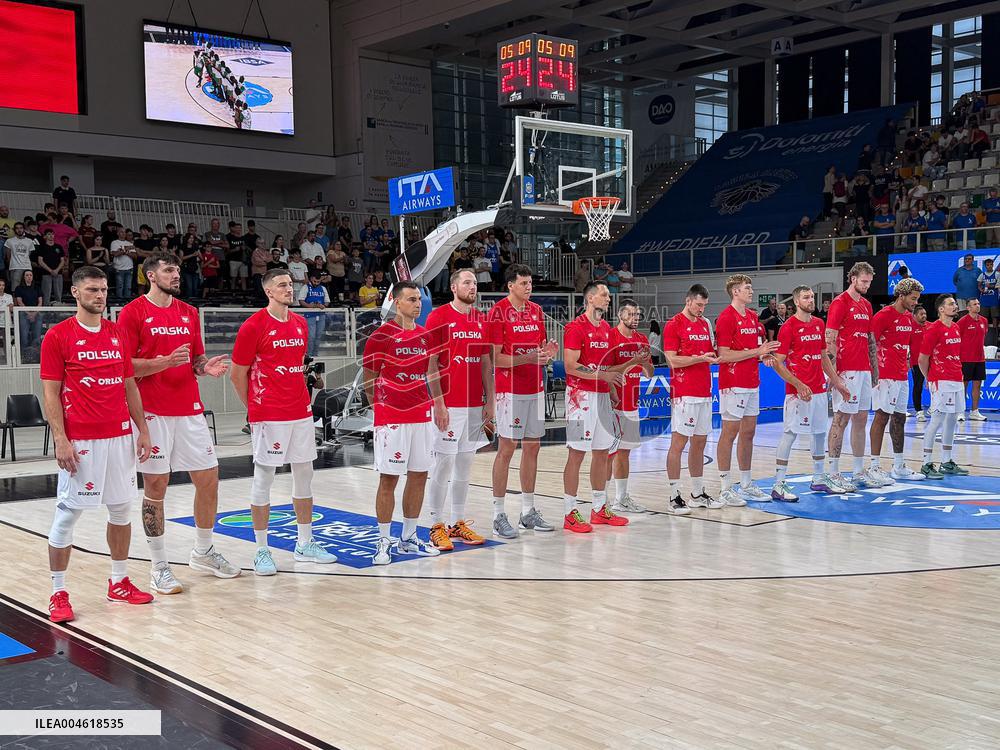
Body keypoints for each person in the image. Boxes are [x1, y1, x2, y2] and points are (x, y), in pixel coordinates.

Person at [117, 253, 238, 594]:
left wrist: (204, 368)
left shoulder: (188, 312)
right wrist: (163, 362)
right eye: (168, 270)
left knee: (209, 478)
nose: (176, 274)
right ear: (150, 275)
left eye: (177, 269)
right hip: (152, 411)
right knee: (156, 487)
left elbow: (194, 359)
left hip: (188, 408)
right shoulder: (133, 313)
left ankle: (203, 551)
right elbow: (125, 368)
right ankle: (159, 567)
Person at [40, 266, 154, 623]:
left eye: (104, 290)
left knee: (121, 510)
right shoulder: (58, 336)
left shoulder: (117, 333)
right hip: (82, 440)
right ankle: (58, 591)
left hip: (120, 437)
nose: (100, 296)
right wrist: (61, 438)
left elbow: (130, 385)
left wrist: (143, 429)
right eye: (92, 290)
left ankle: (118, 581)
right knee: (68, 513)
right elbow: (51, 393)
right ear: (75, 293)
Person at [230, 269, 338, 575]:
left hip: (300, 412)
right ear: (268, 291)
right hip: (269, 414)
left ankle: (305, 543)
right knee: (264, 478)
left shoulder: (301, 324)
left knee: (305, 475)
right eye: (282, 285)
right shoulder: (253, 326)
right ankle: (261, 550)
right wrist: (253, 409)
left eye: (290, 284)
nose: (289, 289)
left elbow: (296, 367)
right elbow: (237, 374)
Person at [362, 281, 442, 564]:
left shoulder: (425, 335)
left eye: (419, 299)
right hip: (392, 418)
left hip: (422, 415)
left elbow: (431, 374)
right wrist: (381, 409)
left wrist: (439, 405)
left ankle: (408, 538)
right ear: (397, 303)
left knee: (419, 475)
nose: (417, 304)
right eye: (411, 299)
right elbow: (369, 380)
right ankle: (383, 539)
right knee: (389, 478)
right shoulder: (380, 337)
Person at [424, 269, 494, 550]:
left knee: (465, 465)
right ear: (454, 287)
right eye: (467, 282)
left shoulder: (481, 320)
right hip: (449, 404)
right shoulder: (438, 317)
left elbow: (486, 363)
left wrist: (490, 400)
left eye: (475, 283)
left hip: (475, 405)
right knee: (443, 464)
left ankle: (457, 521)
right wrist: (438, 403)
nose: (472, 286)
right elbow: (430, 365)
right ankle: (436, 525)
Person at [487, 264, 558, 536]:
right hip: (510, 391)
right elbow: (495, 358)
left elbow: (538, 349)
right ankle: (498, 514)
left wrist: (546, 353)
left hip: (535, 388)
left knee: (533, 448)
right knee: (506, 448)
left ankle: (528, 511)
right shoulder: (497, 313)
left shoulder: (537, 311)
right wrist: (527, 358)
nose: (529, 287)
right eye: (524, 283)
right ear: (510, 286)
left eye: (530, 283)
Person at [561, 281, 635, 532]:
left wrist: (611, 388)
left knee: (602, 453)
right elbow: (571, 366)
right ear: (591, 298)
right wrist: (602, 377)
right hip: (579, 399)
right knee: (577, 454)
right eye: (604, 294)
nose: (608, 298)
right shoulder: (575, 327)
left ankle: (599, 509)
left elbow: (605, 365)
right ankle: (570, 512)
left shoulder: (606, 328)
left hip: (602, 396)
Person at [769, 286, 852, 501]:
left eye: (812, 297)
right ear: (796, 301)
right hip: (798, 394)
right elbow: (778, 363)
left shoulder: (818, 323)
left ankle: (818, 479)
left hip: (818, 390)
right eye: (806, 297)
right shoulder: (788, 327)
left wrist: (838, 382)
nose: (810, 300)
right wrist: (797, 384)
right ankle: (778, 485)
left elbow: (824, 357)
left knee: (819, 433)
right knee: (790, 434)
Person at [714, 275, 781, 505]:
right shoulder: (725, 318)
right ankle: (725, 487)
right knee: (729, 433)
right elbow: (722, 355)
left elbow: (756, 350)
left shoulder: (753, 317)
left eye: (751, 287)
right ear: (735, 292)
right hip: (733, 383)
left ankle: (745, 483)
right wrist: (756, 352)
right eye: (747, 288)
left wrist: (765, 355)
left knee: (749, 433)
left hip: (752, 381)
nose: (751, 291)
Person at [663, 284, 720, 514]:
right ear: (688, 301)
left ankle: (697, 493)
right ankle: (673, 495)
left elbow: (711, 352)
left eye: (704, 305)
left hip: (705, 391)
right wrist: (699, 358)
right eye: (698, 304)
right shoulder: (673, 324)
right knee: (678, 443)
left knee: (700, 442)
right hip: (684, 392)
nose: (701, 309)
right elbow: (673, 360)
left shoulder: (705, 323)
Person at [826, 262, 881, 491]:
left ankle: (858, 471)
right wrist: (833, 375)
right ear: (853, 279)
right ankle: (832, 472)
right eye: (864, 281)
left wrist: (875, 370)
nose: (867, 285)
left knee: (861, 420)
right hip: (846, 370)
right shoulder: (840, 303)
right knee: (841, 419)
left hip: (864, 370)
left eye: (869, 282)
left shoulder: (867, 305)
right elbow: (830, 339)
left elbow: (870, 339)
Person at [868, 278, 926, 483]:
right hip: (884, 375)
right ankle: (874, 466)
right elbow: (870, 345)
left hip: (902, 375)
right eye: (912, 298)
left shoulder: (909, 318)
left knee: (900, 419)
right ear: (901, 295)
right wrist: (874, 375)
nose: (915, 302)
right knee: (881, 417)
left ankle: (898, 465)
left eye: (917, 299)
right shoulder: (883, 315)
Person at [606, 298, 655, 513]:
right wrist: (632, 361)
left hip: (632, 403)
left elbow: (649, 372)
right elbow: (607, 370)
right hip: (613, 403)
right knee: (607, 454)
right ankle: (601, 500)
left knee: (624, 452)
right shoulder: (611, 336)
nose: (634, 318)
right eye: (630, 314)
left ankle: (621, 498)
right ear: (620, 315)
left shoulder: (642, 339)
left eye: (637, 315)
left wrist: (644, 363)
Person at [919, 294, 969, 478]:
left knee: (952, 420)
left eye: (955, 303)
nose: (955, 306)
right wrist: (929, 378)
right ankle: (926, 463)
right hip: (941, 380)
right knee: (937, 420)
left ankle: (946, 461)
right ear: (941, 309)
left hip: (957, 379)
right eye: (951, 304)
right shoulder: (933, 329)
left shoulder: (955, 328)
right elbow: (922, 358)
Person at [958, 298, 989, 422]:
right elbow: (957, 339)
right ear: (968, 308)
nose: (977, 306)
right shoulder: (962, 322)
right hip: (965, 359)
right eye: (974, 304)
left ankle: (974, 411)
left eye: (978, 304)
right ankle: (960, 411)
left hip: (980, 359)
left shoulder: (984, 321)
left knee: (977, 385)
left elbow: (983, 336)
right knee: (963, 386)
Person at [298, 269, 330, 357]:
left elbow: (327, 302)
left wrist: (323, 305)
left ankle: (315, 354)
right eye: (315, 281)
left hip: (321, 315)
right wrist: (311, 306)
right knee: (311, 336)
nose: (316, 283)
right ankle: (309, 355)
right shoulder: (305, 287)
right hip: (309, 315)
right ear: (311, 278)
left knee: (318, 336)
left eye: (318, 281)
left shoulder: (323, 288)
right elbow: (301, 301)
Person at [34, 229, 65, 305]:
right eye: (49, 234)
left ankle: (59, 308)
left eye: (52, 234)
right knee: (46, 294)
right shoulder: (42, 247)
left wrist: (57, 270)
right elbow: (40, 261)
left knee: (58, 293)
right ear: (45, 236)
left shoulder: (58, 247)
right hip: (46, 273)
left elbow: (63, 260)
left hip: (58, 273)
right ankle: (46, 310)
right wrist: (50, 271)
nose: (51, 236)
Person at [14, 270, 43, 348]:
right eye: (27, 275)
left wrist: (34, 313)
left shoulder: (37, 288)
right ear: (23, 277)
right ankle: (24, 354)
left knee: (37, 336)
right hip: (23, 312)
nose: (29, 277)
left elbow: (40, 302)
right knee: (24, 336)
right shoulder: (19, 288)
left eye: (30, 275)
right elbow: (19, 302)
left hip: (36, 313)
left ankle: (35, 353)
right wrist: (29, 313)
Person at [910, 305, 929, 421]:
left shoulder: (930, 326)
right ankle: (919, 411)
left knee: (935, 386)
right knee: (918, 386)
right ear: (915, 316)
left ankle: (935, 408)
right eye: (921, 314)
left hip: (931, 361)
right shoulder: (910, 328)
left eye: (925, 314)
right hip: (916, 363)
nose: (924, 316)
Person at [5, 221, 35, 290]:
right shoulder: (9, 241)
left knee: (28, 288)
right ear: (14, 230)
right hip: (15, 267)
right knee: (15, 289)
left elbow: (29, 254)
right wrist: (12, 264)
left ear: (24, 229)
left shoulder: (29, 241)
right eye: (17, 228)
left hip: (27, 267)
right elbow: (8, 255)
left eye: (21, 228)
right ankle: (15, 301)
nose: (19, 230)